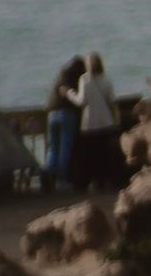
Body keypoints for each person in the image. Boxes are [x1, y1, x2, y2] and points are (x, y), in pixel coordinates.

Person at [74, 53, 120, 192]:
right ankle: (107, 180)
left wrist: (69, 93)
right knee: (105, 153)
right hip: (106, 121)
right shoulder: (107, 79)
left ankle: (94, 182)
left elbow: (81, 101)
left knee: (91, 154)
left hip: (90, 123)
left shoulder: (85, 80)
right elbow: (111, 101)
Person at [43, 67, 82, 192]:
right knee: (65, 149)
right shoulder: (76, 78)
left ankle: (48, 175)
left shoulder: (59, 78)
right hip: (66, 114)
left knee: (53, 149)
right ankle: (62, 180)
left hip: (52, 114)